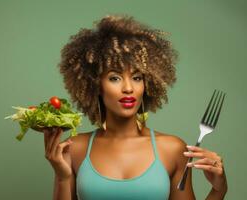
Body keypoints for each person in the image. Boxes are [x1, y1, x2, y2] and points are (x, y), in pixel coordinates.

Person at [42, 14, 228, 200]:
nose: (128, 88)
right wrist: (62, 177)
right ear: (95, 85)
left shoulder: (172, 149)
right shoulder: (75, 148)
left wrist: (218, 191)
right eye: (115, 78)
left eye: (137, 77)